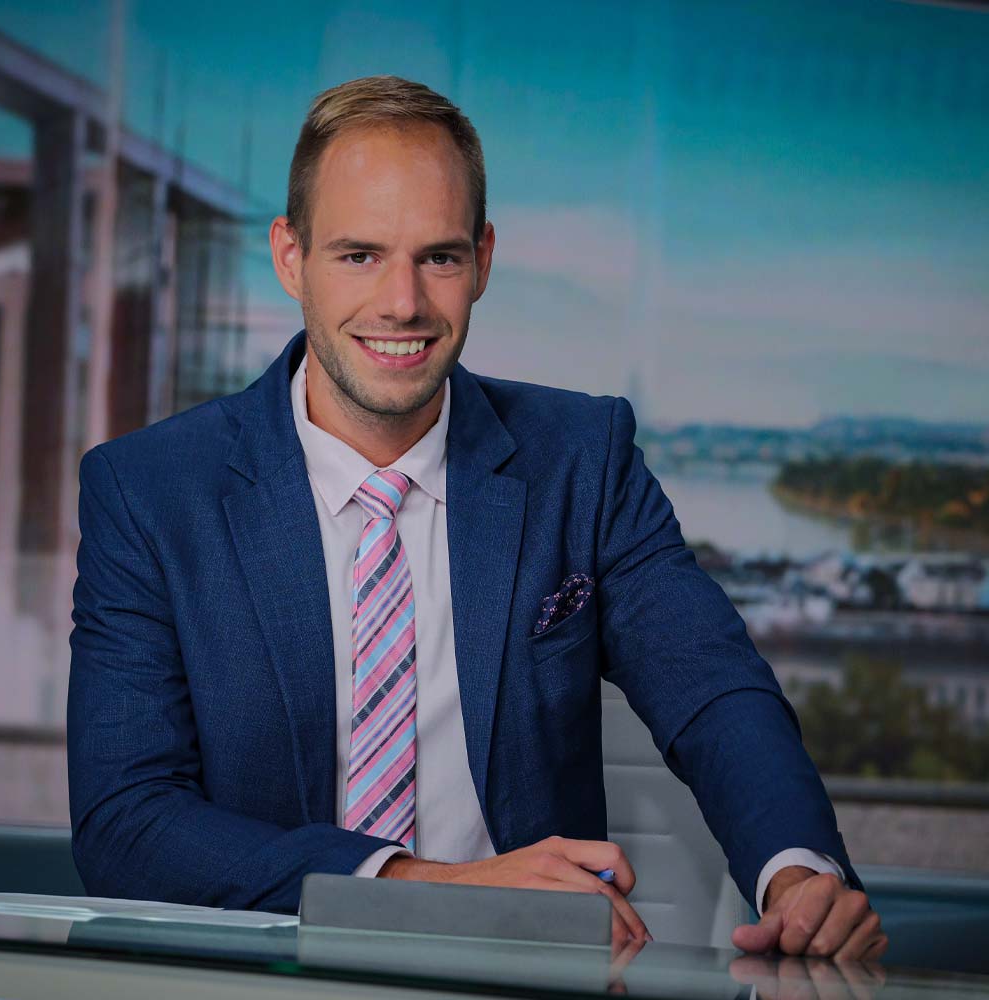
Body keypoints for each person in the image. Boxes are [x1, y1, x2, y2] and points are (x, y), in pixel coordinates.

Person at [68, 75, 886, 961]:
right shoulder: (149, 493)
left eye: (440, 258)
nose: (403, 303)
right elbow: (126, 823)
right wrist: (419, 887)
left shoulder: (582, 459)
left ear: (484, 260)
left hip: (525, 977)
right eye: (359, 255)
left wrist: (796, 872)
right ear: (290, 256)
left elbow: (713, 691)